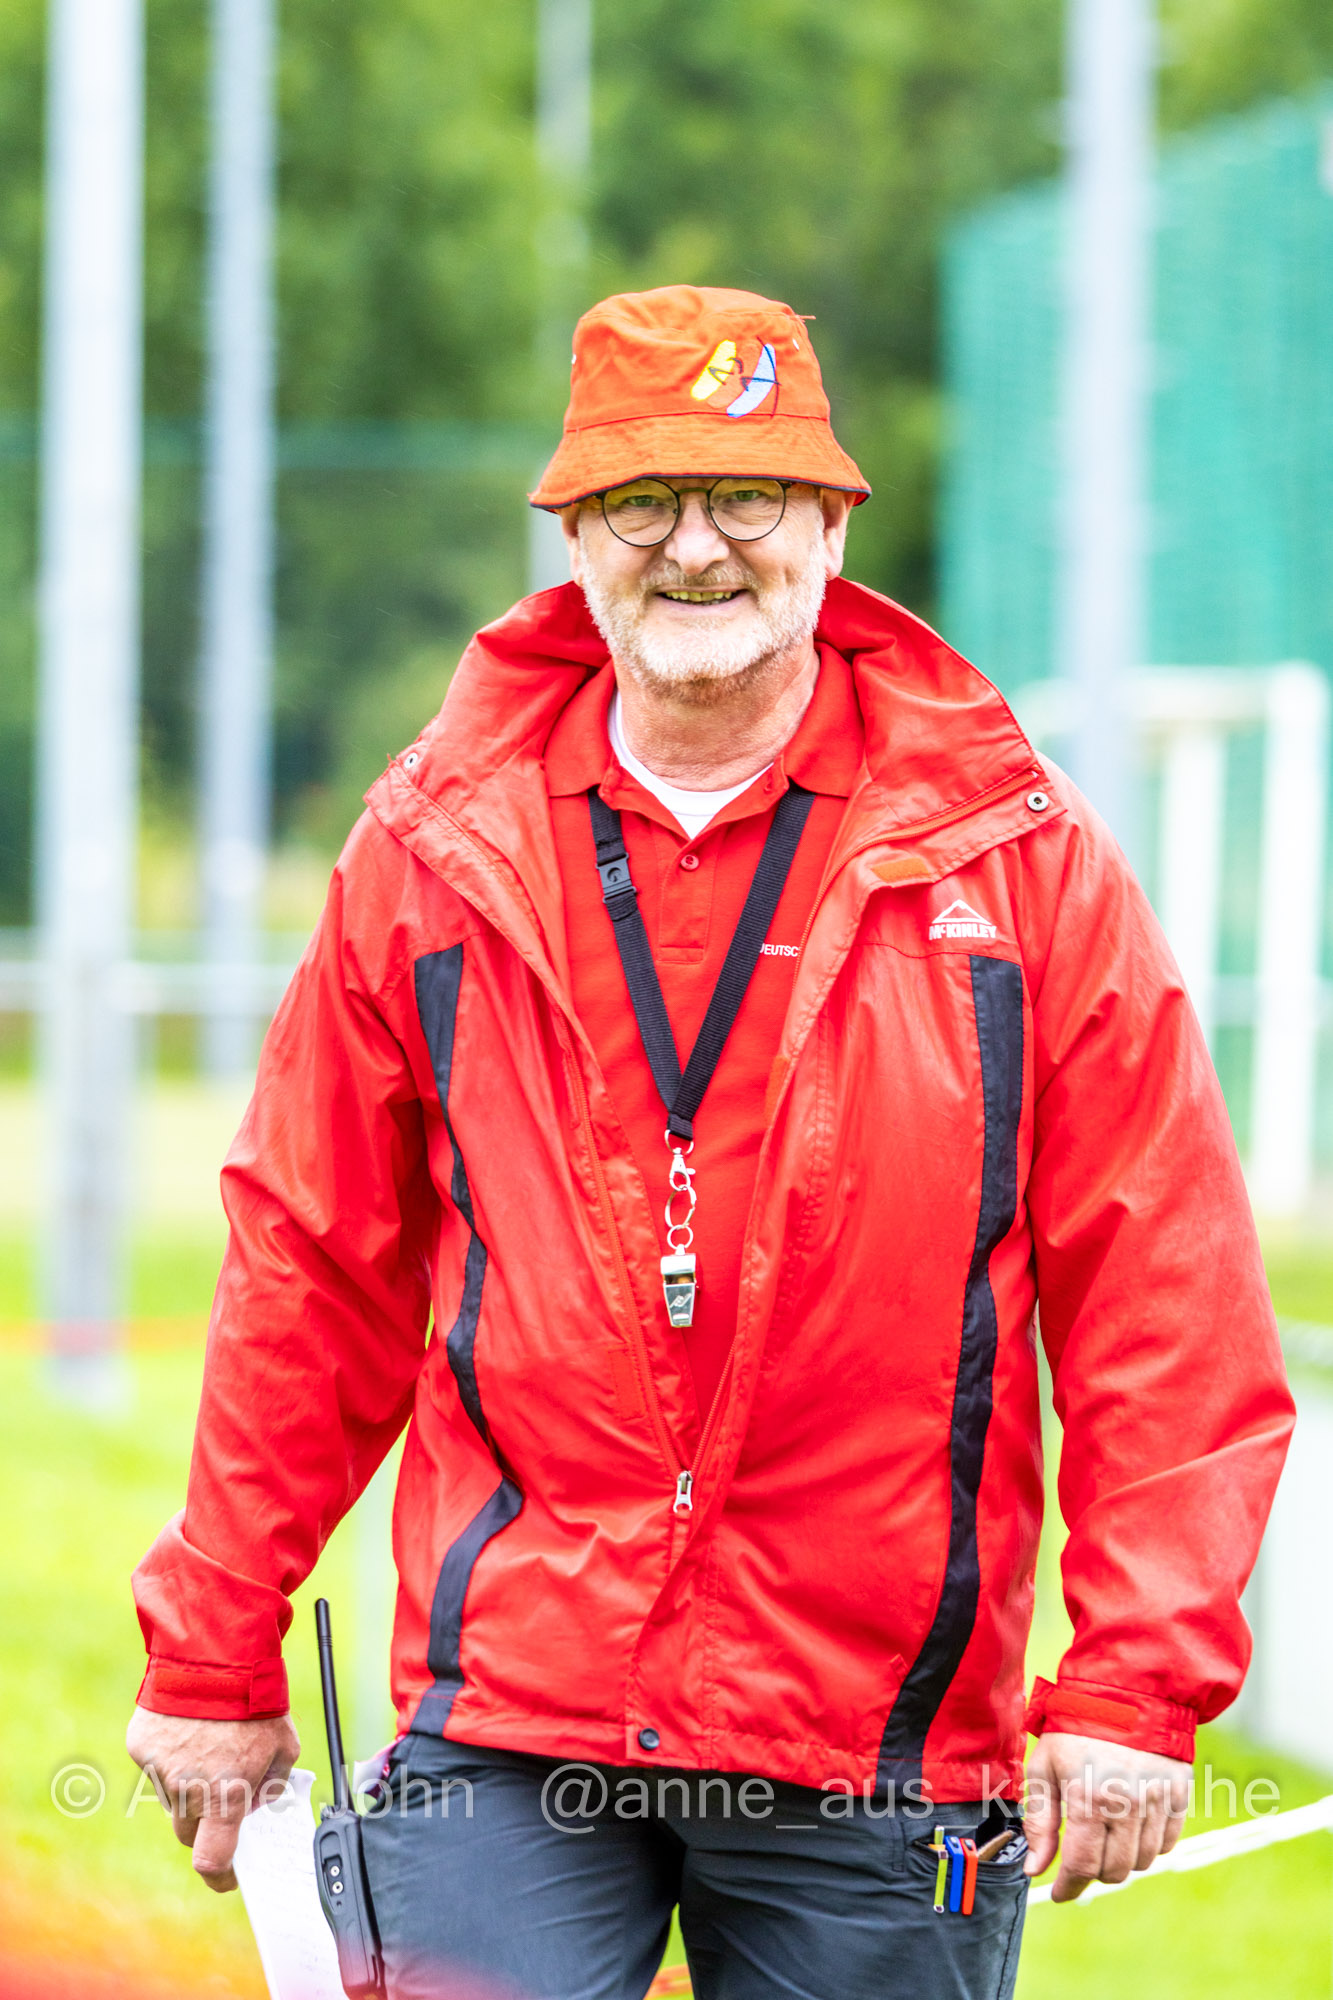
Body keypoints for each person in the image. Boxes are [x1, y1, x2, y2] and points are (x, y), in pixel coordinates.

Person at [128, 285, 1293, 2000]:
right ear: (573, 538)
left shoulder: (1020, 867)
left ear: (830, 525)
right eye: (638, 502)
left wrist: (1134, 1681)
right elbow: (311, 1267)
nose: (694, 548)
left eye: (745, 496)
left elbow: (1162, 1296)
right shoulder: (429, 856)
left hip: (878, 1730)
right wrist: (213, 1647)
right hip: (512, 1713)